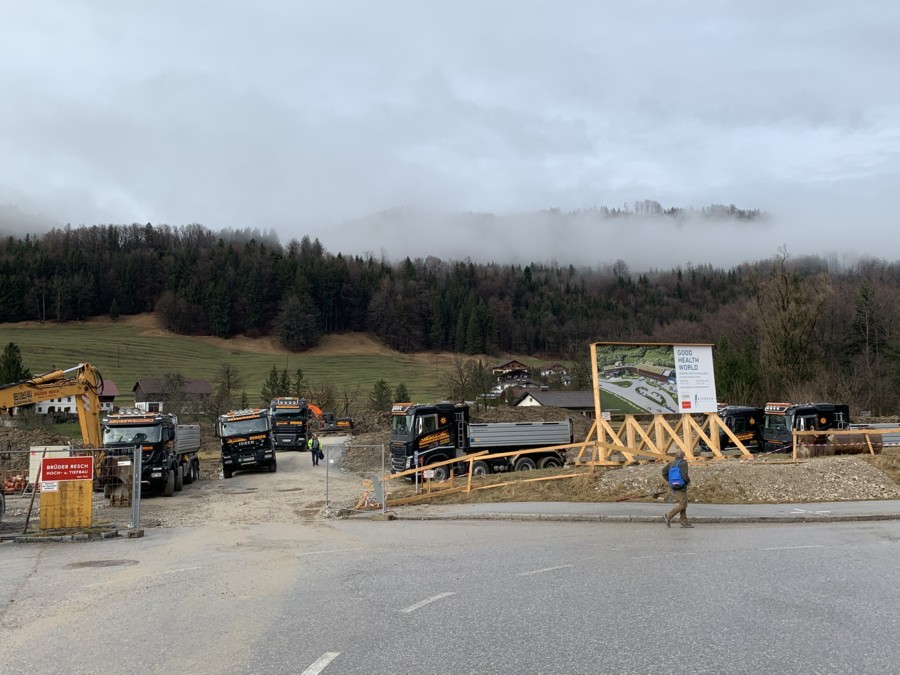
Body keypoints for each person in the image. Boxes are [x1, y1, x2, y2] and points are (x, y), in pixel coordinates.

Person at [662, 450, 692, 528]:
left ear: (675, 456)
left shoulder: (671, 463)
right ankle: (668, 515)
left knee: (682, 503)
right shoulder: (683, 463)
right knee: (683, 504)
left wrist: (669, 480)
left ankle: (684, 522)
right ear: (683, 456)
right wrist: (688, 481)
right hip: (681, 486)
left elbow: (663, 472)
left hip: (673, 485)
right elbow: (684, 475)